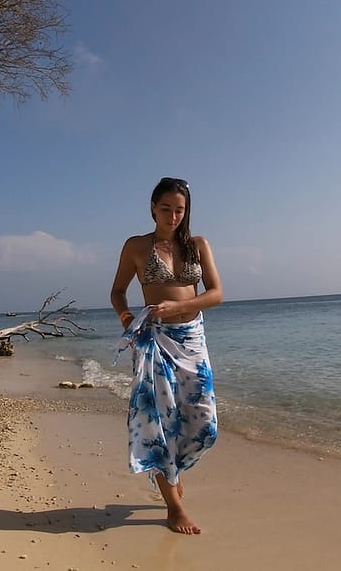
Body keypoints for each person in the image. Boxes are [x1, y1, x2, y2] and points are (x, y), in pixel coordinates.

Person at [110, 176, 223, 535]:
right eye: (165, 209)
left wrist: (181, 306)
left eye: (179, 210)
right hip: (154, 340)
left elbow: (216, 293)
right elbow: (117, 292)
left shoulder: (198, 245)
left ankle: (174, 470)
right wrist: (127, 317)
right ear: (152, 209)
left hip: (192, 340)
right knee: (157, 420)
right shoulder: (136, 246)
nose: (173, 217)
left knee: (204, 423)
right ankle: (173, 505)